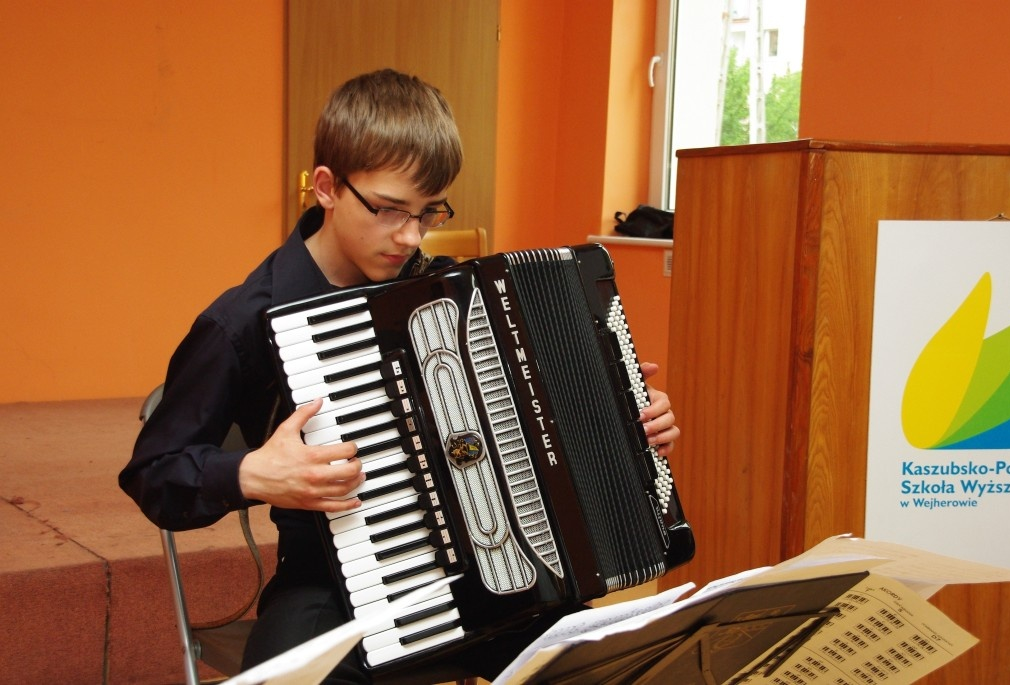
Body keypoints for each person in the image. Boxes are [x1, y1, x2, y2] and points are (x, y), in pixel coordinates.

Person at [120, 69, 681, 684]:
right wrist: (250, 473)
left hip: (507, 574)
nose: (411, 236)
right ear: (328, 188)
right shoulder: (242, 323)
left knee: (627, 665)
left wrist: (627, 424)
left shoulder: (449, 293)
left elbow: (545, 420)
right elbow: (155, 474)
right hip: (334, 587)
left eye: (428, 212)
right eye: (389, 210)